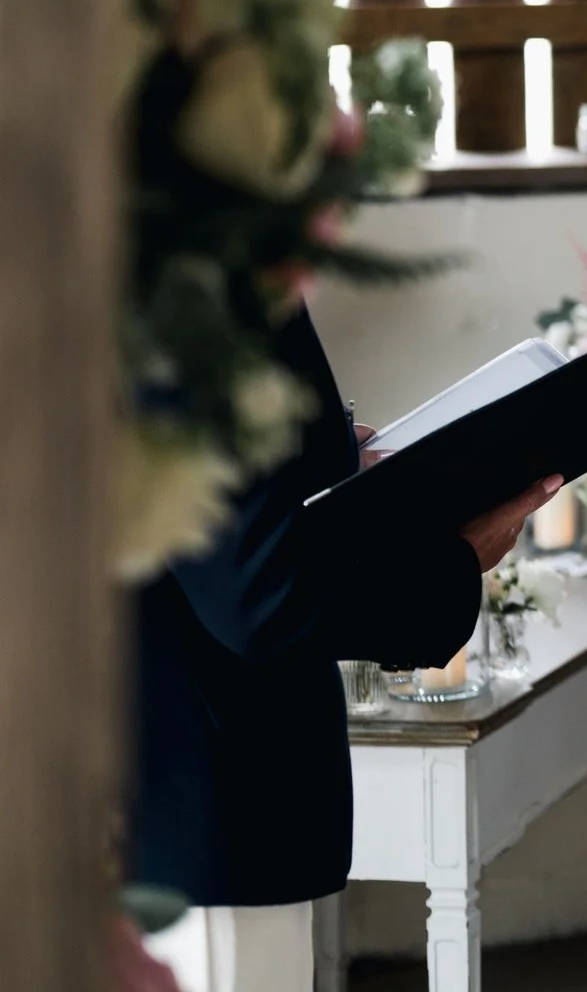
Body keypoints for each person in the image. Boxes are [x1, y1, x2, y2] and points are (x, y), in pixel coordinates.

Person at [129, 306, 554, 992]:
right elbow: (252, 591)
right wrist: (448, 569)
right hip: (200, 814)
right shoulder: (187, 249)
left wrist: (333, 464)